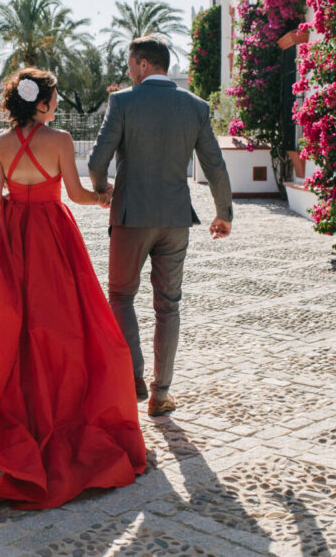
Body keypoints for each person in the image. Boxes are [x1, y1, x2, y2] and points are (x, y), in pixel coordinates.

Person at [0, 67, 147, 510]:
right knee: (65, 324)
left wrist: (20, 191)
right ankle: (63, 411)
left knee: (18, 330)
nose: (57, 104)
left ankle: (24, 418)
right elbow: (74, 194)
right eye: (54, 99)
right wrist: (103, 197)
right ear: (42, 104)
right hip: (53, 237)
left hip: (16, 236)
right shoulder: (59, 141)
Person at [88, 36, 233, 418]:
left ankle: (134, 375)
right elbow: (214, 165)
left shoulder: (122, 101)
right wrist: (224, 213)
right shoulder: (196, 107)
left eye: (130, 64)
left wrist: (103, 190)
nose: (127, 71)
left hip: (130, 217)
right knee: (169, 305)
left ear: (143, 65)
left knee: (121, 296)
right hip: (175, 221)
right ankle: (161, 393)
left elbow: (97, 160)